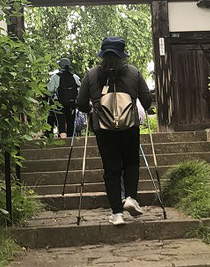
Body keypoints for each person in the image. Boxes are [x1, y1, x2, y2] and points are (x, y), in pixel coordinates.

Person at [77, 36, 152, 226]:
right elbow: (147, 100)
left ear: (102, 54)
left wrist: (92, 108)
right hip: (129, 127)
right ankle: (130, 198)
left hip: (103, 128)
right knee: (131, 163)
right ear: (122, 54)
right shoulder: (133, 73)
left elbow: (80, 103)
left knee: (111, 169)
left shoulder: (91, 74)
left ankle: (116, 213)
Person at [47, 58, 81, 138]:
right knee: (71, 122)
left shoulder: (55, 77)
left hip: (59, 103)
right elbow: (79, 89)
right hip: (71, 104)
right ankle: (70, 139)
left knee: (61, 122)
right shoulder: (75, 77)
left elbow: (50, 90)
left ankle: (63, 140)